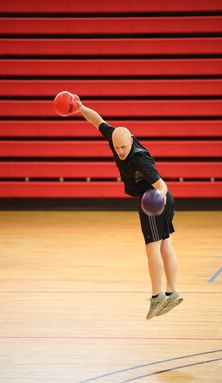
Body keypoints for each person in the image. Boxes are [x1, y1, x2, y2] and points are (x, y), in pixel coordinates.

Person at [75, 95, 183, 319]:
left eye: (123, 147)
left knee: (152, 249)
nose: (120, 152)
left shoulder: (139, 159)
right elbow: (98, 121)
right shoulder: (116, 139)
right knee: (165, 246)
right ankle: (172, 293)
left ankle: (157, 297)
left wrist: (155, 202)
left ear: (131, 141)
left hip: (154, 200)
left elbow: (162, 186)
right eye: (117, 148)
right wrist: (81, 107)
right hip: (158, 199)